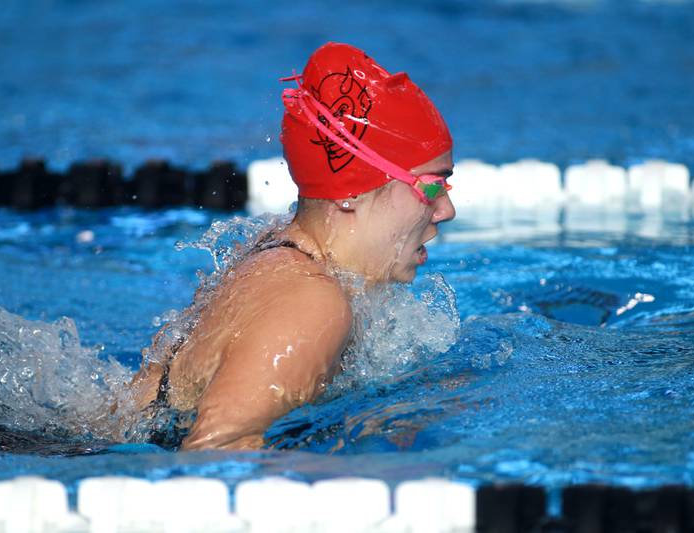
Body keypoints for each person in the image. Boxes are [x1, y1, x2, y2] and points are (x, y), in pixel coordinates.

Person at [128, 42, 456, 450]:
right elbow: (213, 454)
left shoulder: (282, 250)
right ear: (351, 190)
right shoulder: (312, 303)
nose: (446, 209)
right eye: (430, 186)